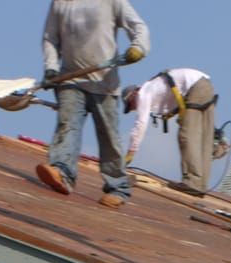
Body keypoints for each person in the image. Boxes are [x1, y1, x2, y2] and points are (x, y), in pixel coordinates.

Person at [35, 0, 150, 209]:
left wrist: (138, 47)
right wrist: (51, 67)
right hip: (70, 79)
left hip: (104, 82)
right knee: (67, 126)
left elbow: (138, 26)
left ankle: (118, 187)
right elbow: (50, 38)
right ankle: (62, 173)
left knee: (108, 136)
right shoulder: (60, 3)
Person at [122, 68, 217, 195]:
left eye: (131, 105)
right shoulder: (156, 88)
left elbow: (141, 125)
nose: (134, 108)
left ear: (133, 94)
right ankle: (201, 185)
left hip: (195, 87)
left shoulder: (143, 93)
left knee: (186, 137)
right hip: (205, 85)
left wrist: (130, 153)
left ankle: (193, 183)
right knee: (204, 139)